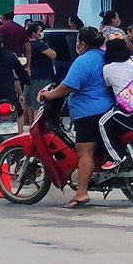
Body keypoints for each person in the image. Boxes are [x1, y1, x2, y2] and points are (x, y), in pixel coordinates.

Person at [38, 28, 114, 209]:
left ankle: (81, 193)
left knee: (84, 152)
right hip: (107, 108)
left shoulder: (84, 60)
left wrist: (50, 95)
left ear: (83, 44)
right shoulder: (103, 56)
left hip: (89, 112)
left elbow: (68, 86)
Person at [97, 31, 133, 168]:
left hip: (127, 109)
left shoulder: (107, 69)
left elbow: (107, 85)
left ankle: (117, 157)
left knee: (102, 123)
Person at [23, 22, 57, 126]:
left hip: (29, 75)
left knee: (30, 103)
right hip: (42, 76)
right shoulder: (39, 45)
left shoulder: (26, 44)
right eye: (40, 31)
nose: (41, 33)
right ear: (34, 33)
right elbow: (53, 55)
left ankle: (30, 124)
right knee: (39, 102)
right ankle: (37, 126)